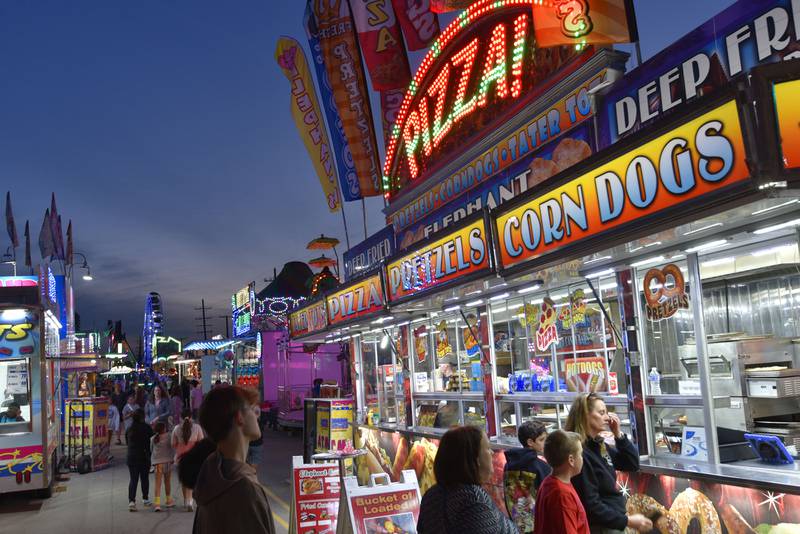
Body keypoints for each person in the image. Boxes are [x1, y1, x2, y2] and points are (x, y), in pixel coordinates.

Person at [566, 393, 652, 534]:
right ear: (585, 415)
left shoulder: (599, 445)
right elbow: (591, 504)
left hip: (613, 520)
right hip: (602, 526)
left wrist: (618, 434)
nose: (607, 417)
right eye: (601, 413)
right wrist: (628, 521)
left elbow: (631, 464)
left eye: (606, 412)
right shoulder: (580, 453)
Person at [193, 386, 275, 533]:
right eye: (251, 409)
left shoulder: (209, 476)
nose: (256, 415)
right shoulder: (245, 490)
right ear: (239, 417)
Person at [417, 425, 516, 533]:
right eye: (487, 448)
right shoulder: (473, 500)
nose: (492, 453)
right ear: (476, 458)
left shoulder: (431, 495)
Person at [533, 430, 588, 534]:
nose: (582, 458)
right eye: (580, 454)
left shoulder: (548, 482)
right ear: (571, 460)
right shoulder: (562, 495)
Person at [504, 420, 552, 533]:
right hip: (538, 525)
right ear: (530, 442)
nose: (545, 443)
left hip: (517, 522)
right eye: (541, 439)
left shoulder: (508, 464)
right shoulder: (541, 467)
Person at [172, 408, 205, 511]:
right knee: (192, 480)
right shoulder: (197, 427)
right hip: (193, 458)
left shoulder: (176, 428)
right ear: (191, 417)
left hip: (180, 458)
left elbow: (173, 443)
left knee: (184, 480)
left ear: (181, 417)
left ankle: (186, 501)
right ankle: (190, 502)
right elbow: (201, 441)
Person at [126, 409, 154, 511]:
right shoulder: (147, 428)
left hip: (131, 456)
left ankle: (131, 501)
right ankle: (145, 499)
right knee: (144, 478)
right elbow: (152, 441)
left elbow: (127, 442)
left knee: (133, 479)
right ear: (142, 417)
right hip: (144, 456)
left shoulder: (129, 428)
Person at [151, 421, 175, 512]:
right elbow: (173, 446)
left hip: (158, 463)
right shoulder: (169, 436)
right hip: (168, 462)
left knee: (158, 484)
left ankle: (157, 504)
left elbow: (151, 450)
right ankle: (168, 500)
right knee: (167, 482)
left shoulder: (153, 438)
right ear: (164, 429)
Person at [246, 404, 267, 470]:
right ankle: (251, 475)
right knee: (255, 461)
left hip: (247, 444)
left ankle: (246, 474)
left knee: (244, 460)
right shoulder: (259, 422)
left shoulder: (246, 422)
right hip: (257, 444)